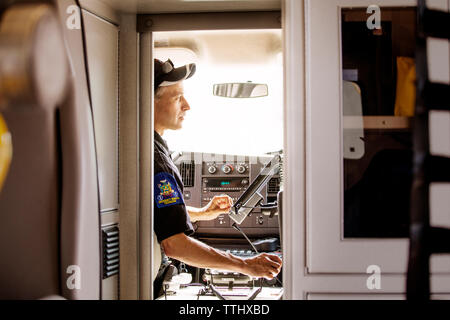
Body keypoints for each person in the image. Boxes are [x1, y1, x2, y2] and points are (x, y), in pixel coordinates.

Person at [153, 58, 282, 296]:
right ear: (149, 102)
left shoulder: (152, 147)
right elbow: (174, 243)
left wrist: (203, 213)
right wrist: (245, 265)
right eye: (177, 97)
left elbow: (158, 214)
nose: (187, 106)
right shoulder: (158, 162)